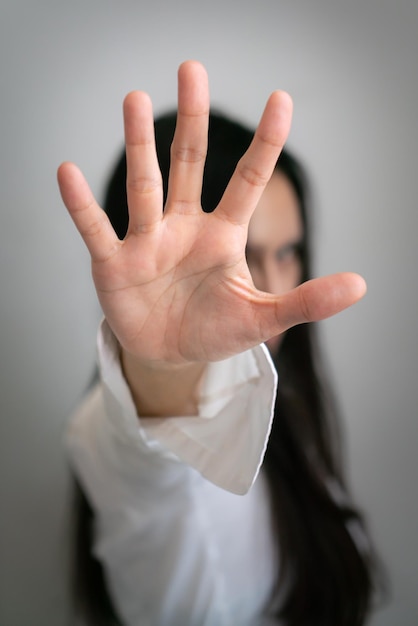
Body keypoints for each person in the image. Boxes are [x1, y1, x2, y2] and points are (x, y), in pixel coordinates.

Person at [58, 61, 381, 625]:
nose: (278, 286)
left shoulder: (285, 401)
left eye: (289, 251)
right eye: (247, 257)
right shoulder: (118, 444)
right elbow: (152, 458)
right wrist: (162, 365)